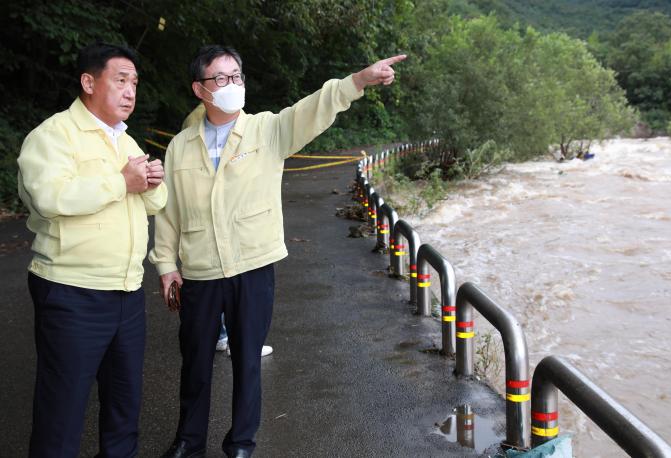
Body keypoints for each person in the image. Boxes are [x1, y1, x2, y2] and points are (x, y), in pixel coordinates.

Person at [149, 44, 405, 458]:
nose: (232, 85)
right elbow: (168, 210)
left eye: (237, 76)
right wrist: (165, 265)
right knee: (195, 361)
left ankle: (241, 443)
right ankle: (187, 441)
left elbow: (313, 108)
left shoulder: (268, 130)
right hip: (200, 269)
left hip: (252, 265)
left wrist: (358, 81)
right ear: (200, 89)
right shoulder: (180, 146)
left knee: (247, 359)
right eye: (220, 78)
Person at [17, 42, 167, 457]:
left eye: (135, 82)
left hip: (128, 292)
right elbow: (50, 197)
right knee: (61, 412)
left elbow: (155, 204)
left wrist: (153, 180)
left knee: (124, 406)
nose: (130, 91)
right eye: (120, 80)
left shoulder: (127, 141)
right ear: (88, 82)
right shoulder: (52, 135)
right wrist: (122, 182)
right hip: (72, 292)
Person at [180, 108, 273, 359]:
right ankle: (233, 339)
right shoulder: (204, 120)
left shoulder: (199, 116)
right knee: (228, 285)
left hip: (211, 229)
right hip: (219, 224)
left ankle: (224, 337)